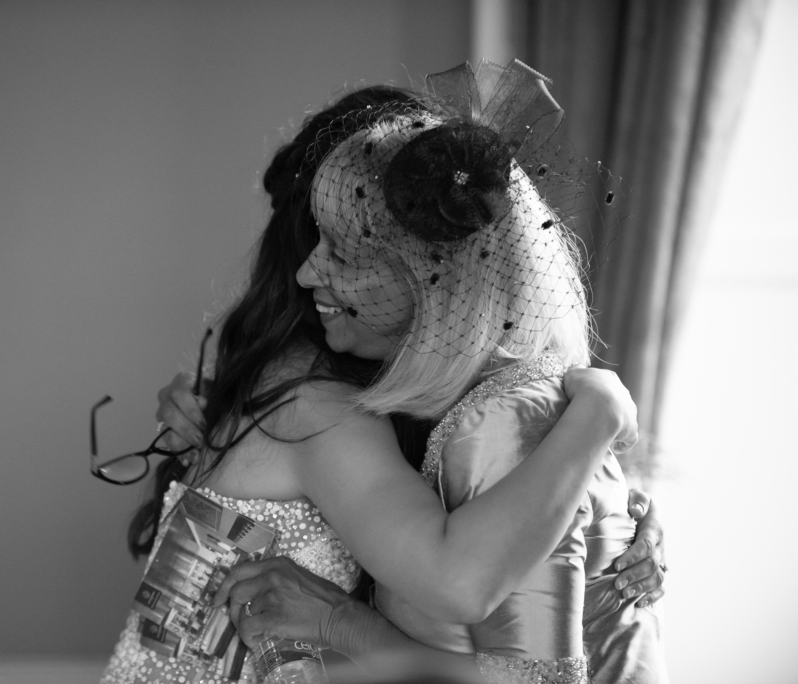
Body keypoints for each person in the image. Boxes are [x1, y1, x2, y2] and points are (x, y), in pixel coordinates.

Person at [103, 67, 663, 684]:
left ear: (439, 281)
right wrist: (600, 415)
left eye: (342, 251)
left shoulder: (452, 415)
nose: (308, 274)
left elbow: (504, 601)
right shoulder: (317, 408)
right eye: (319, 240)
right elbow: (462, 585)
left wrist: (604, 524)